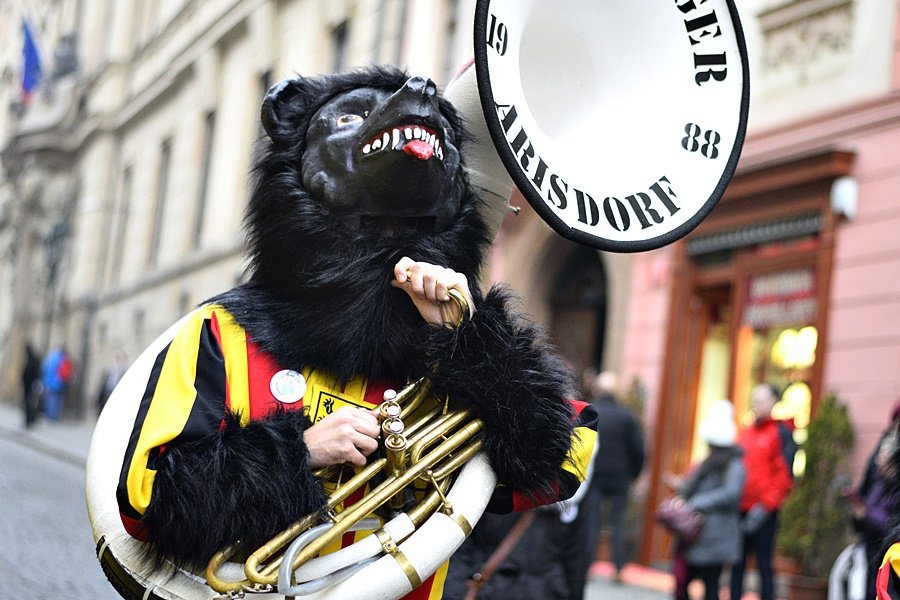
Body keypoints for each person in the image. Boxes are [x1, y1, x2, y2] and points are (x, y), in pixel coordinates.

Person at [669, 400, 745, 600]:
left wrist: (698, 501)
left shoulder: (734, 465)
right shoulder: (706, 464)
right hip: (697, 535)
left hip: (715, 536)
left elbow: (731, 493)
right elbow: (690, 489)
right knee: (684, 581)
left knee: (710, 586)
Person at [730, 383, 794, 600]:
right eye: (754, 400)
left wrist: (766, 506)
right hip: (740, 508)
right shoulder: (746, 432)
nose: (756, 405)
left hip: (765, 511)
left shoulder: (781, 433)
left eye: (761, 400)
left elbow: (784, 477)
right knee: (736, 563)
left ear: (773, 402)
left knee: (764, 563)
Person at [583, 370, 645, 583]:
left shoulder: (592, 412)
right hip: (620, 477)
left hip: (595, 476)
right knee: (618, 522)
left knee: (592, 521)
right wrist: (633, 474)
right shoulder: (627, 416)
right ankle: (618, 568)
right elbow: (638, 449)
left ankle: (587, 566)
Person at [846, 428, 900, 599]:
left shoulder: (894, 489)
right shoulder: (879, 483)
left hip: (882, 553)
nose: (878, 460)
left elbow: (889, 524)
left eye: (883, 455)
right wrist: (859, 515)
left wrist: (866, 515)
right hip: (871, 552)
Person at [40, 346, 73, 421]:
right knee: (57, 400)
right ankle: (54, 416)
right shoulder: (63, 360)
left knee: (49, 400)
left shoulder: (50, 358)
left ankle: (49, 415)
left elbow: (44, 370)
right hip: (60, 383)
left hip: (48, 382)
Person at [95, 348, 127, 416]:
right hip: (106, 396)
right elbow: (103, 386)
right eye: (115, 358)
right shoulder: (108, 371)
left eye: (118, 358)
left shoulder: (123, 372)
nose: (116, 360)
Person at [20, 342, 41, 428]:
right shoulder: (32, 359)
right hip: (29, 385)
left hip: (31, 386)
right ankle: (28, 421)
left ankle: (29, 421)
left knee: (30, 403)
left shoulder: (33, 360)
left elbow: (32, 373)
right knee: (28, 403)